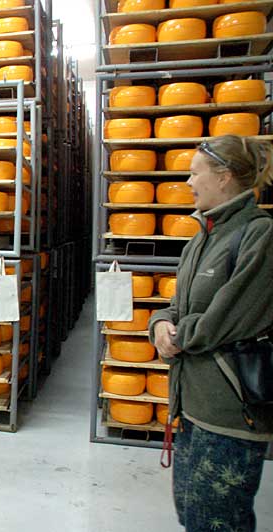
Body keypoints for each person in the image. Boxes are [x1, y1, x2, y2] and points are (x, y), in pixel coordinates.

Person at [148, 135, 273, 531]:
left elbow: (227, 315)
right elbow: (178, 304)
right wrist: (159, 323)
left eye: (194, 173)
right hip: (191, 407)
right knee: (192, 515)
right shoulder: (201, 237)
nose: (188, 182)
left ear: (224, 177)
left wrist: (176, 337)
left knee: (217, 523)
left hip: (230, 415)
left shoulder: (260, 235)